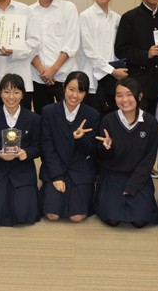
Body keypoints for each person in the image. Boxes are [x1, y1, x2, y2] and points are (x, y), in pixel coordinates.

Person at [94, 78, 158, 228]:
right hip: (112, 176)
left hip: (139, 176)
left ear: (139, 96)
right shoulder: (108, 120)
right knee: (112, 219)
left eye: (129, 94)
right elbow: (102, 157)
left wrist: (133, 185)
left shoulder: (150, 122)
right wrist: (107, 147)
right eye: (119, 95)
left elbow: (149, 159)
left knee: (140, 220)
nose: (124, 100)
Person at [0, 73, 42, 226]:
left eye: (16, 92)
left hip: (22, 168)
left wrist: (26, 153)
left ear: (23, 95)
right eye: (6, 92)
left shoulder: (34, 118)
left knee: (24, 215)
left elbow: (39, 147)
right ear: (0, 94)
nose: (11, 97)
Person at [39, 71, 99, 222]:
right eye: (71, 89)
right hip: (55, 167)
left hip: (80, 170)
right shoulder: (48, 111)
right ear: (64, 87)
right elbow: (47, 147)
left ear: (86, 93)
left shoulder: (92, 115)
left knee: (76, 217)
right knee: (52, 215)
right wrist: (56, 175)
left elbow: (92, 149)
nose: (75, 95)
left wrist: (82, 138)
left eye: (80, 91)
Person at [27, 0, 80, 114]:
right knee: (43, 118)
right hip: (38, 77)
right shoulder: (28, 11)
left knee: (69, 116)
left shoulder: (68, 8)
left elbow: (71, 43)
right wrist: (42, 70)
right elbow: (27, 46)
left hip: (65, 76)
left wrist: (53, 70)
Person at [77, 0, 127, 115]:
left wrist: (116, 71)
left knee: (110, 120)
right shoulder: (85, 16)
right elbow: (88, 50)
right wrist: (111, 70)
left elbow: (119, 49)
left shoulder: (117, 18)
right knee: (92, 120)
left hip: (112, 80)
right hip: (92, 78)